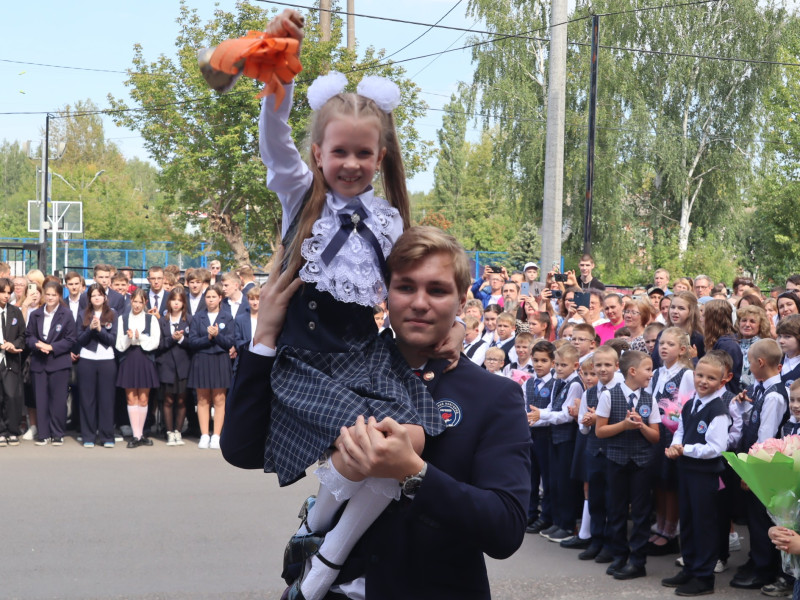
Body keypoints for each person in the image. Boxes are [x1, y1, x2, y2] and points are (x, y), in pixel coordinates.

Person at [257, 13, 462, 598]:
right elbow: (274, 139)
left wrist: (453, 324)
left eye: (363, 153)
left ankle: (322, 548)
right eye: (339, 151)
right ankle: (317, 544)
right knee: (371, 445)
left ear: (380, 155)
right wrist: (281, 72)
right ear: (319, 152)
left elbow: (418, 284)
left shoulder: (389, 217)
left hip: (365, 358)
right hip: (306, 360)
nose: (351, 164)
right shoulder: (300, 195)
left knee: (409, 440)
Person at [222, 228, 531, 600]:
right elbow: (242, 449)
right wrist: (265, 336)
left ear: (462, 300)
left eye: (437, 290)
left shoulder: (493, 395)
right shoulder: (342, 365)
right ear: (384, 293)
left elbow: (506, 530)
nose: (419, 303)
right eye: (405, 287)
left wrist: (414, 473)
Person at [662, 353, 730, 596]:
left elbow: (717, 448)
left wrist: (685, 449)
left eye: (711, 378)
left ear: (722, 382)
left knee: (704, 524)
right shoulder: (691, 403)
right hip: (686, 471)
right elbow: (681, 429)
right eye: (700, 375)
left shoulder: (718, 411)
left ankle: (703, 576)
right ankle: (690, 567)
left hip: (704, 475)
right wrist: (675, 446)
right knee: (688, 521)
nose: (703, 381)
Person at [596, 350, 660, 580]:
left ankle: (638, 561)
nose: (651, 374)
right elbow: (600, 431)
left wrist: (642, 426)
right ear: (632, 371)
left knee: (641, 513)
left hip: (642, 463)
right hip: (615, 460)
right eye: (648, 369)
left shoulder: (649, 398)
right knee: (616, 510)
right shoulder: (609, 396)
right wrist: (623, 425)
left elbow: (656, 436)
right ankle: (619, 556)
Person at [729, 339, 787, 590]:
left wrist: (751, 471)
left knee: (762, 519)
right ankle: (756, 560)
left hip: (763, 467)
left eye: (750, 363)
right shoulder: (761, 388)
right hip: (755, 463)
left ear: (760, 363)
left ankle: (765, 570)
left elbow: (766, 438)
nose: (749, 367)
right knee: (754, 518)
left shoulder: (774, 396)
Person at [529, 343, 584, 542]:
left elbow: (566, 416)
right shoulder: (559, 382)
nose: (559, 368)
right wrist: (535, 417)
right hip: (555, 436)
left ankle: (568, 525)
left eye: (563, 365)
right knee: (555, 481)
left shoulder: (575, 384)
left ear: (575, 365)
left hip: (567, 438)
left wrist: (541, 414)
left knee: (565, 483)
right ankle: (558, 521)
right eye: (558, 365)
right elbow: (553, 407)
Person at [648, 327, 694, 555]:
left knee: (670, 484)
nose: (663, 347)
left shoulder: (685, 374)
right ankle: (660, 525)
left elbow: (686, 407)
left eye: (670, 344)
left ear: (682, 349)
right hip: (656, 433)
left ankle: (670, 531)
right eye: (661, 343)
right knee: (658, 482)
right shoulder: (657, 373)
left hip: (672, 434)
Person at [577, 345, 624, 562]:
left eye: (607, 365)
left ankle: (612, 544)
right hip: (594, 451)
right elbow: (583, 427)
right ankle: (596, 539)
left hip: (614, 451)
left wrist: (601, 418)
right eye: (598, 365)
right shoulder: (589, 393)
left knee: (613, 500)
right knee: (595, 498)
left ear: (616, 366)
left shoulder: (622, 390)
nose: (602, 369)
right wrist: (587, 421)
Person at [25, 280, 76, 446]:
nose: (50, 297)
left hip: (59, 362)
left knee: (58, 400)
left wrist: (52, 347)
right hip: (39, 362)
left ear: (59, 296)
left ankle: (57, 433)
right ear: (43, 295)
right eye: (48, 294)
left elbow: (70, 339)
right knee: (41, 399)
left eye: (54, 295)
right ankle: (43, 434)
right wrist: (38, 345)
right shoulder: (36, 314)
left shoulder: (66, 314)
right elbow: (29, 336)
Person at [187, 284, 234, 449]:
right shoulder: (198, 317)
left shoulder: (227, 317)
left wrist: (217, 336)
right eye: (208, 297)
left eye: (214, 296)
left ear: (220, 298)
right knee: (202, 398)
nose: (211, 299)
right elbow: (191, 342)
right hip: (201, 360)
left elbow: (229, 343)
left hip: (220, 360)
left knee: (220, 399)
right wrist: (208, 338)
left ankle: (217, 435)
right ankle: (204, 434)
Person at [115, 288, 161, 448]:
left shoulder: (151, 319)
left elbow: (154, 342)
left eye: (140, 302)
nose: (137, 305)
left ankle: (140, 434)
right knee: (130, 398)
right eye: (134, 301)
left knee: (143, 398)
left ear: (145, 303)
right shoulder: (123, 318)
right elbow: (119, 345)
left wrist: (138, 336)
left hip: (145, 359)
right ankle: (136, 435)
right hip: (129, 358)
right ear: (131, 301)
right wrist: (129, 338)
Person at [75, 283, 118, 448]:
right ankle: (88, 436)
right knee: (87, 399)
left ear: (105, 297)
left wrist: (100, 330)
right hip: (87, 359)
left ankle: (107, 436)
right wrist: (90, 330)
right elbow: (79, 340)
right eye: (93, 295)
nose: (97, 298)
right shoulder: (82, 314)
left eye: (100, 294)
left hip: (107, 359)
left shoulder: (113, 314)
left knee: (107, 399)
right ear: (89, 299)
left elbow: (113, 340)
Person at [524, 340, 557, 534]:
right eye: (535, 360)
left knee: (547, 476)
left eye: (543, 360)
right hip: (530, 433)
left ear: (552, 362)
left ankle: (546, 516)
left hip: (546, 434)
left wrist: (537, 417)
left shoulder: (554, 384)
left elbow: (553, 409)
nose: (538, 364)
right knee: (531, 475)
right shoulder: (528, 383)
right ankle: (529, 512)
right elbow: (523, 405)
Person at [158, 288, 192, 446]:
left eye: (179, 300)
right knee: (168, 399)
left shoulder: (189, 320)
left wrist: (181, 340)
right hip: (166, 365)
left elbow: (193, 344)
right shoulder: (162, 320)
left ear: (184, 303)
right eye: (173, 300)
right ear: (169, 302)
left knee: (181, 400)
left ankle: (178, 431)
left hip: (184, 365)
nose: (176, 303)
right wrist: (172, 338)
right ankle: (169, 431)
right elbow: (158, 345)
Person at [0, 277, 25, 446]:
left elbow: (23, 336)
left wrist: (13, 344)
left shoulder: (15, 312)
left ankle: (12, 430)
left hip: (10, 360)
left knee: (12, 396)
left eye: (9, 293)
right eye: (3, 292)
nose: (6, 296)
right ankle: (1, 431)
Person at [702, 299, 743, 394]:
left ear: (714, 319)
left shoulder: (728, 345)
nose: (701, 319)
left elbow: (721, 377)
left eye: (704, 316)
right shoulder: (718, 341)